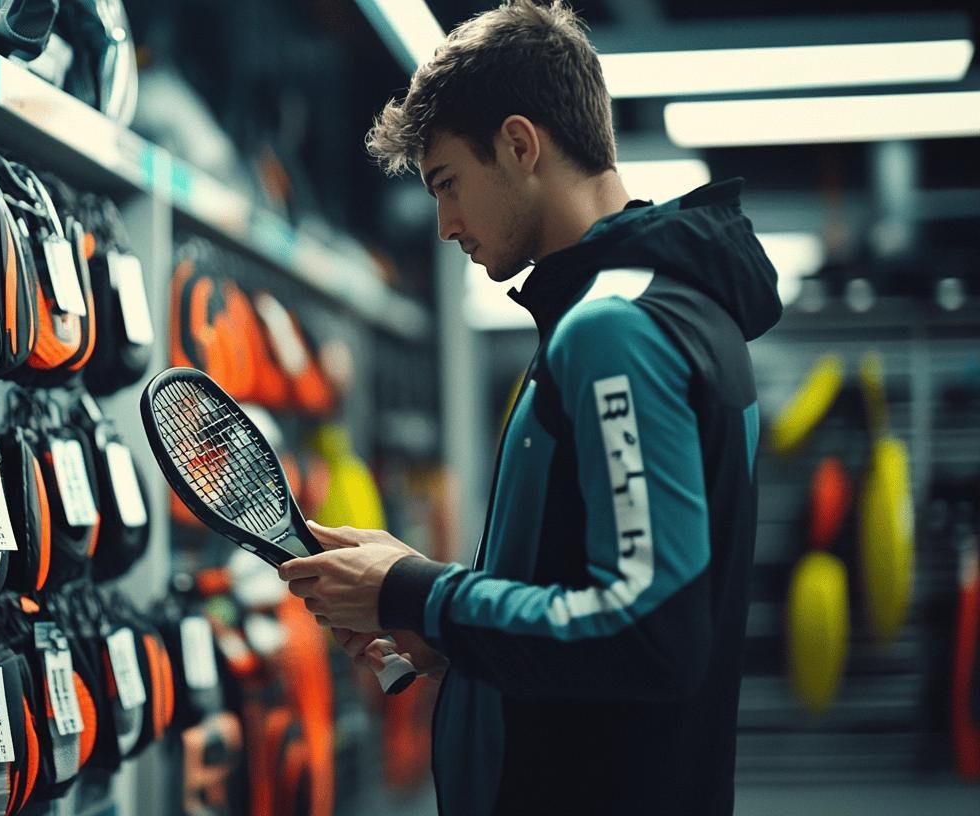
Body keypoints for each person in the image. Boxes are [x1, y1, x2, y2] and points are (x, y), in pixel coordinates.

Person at [278, 1, 781, 813]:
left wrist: (420, 594)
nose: (444, 224)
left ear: (519, 145)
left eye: (448, 183)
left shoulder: (617, 330)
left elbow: (649, 634)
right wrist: (436, 625)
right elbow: (598, 598)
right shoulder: (672, 309)